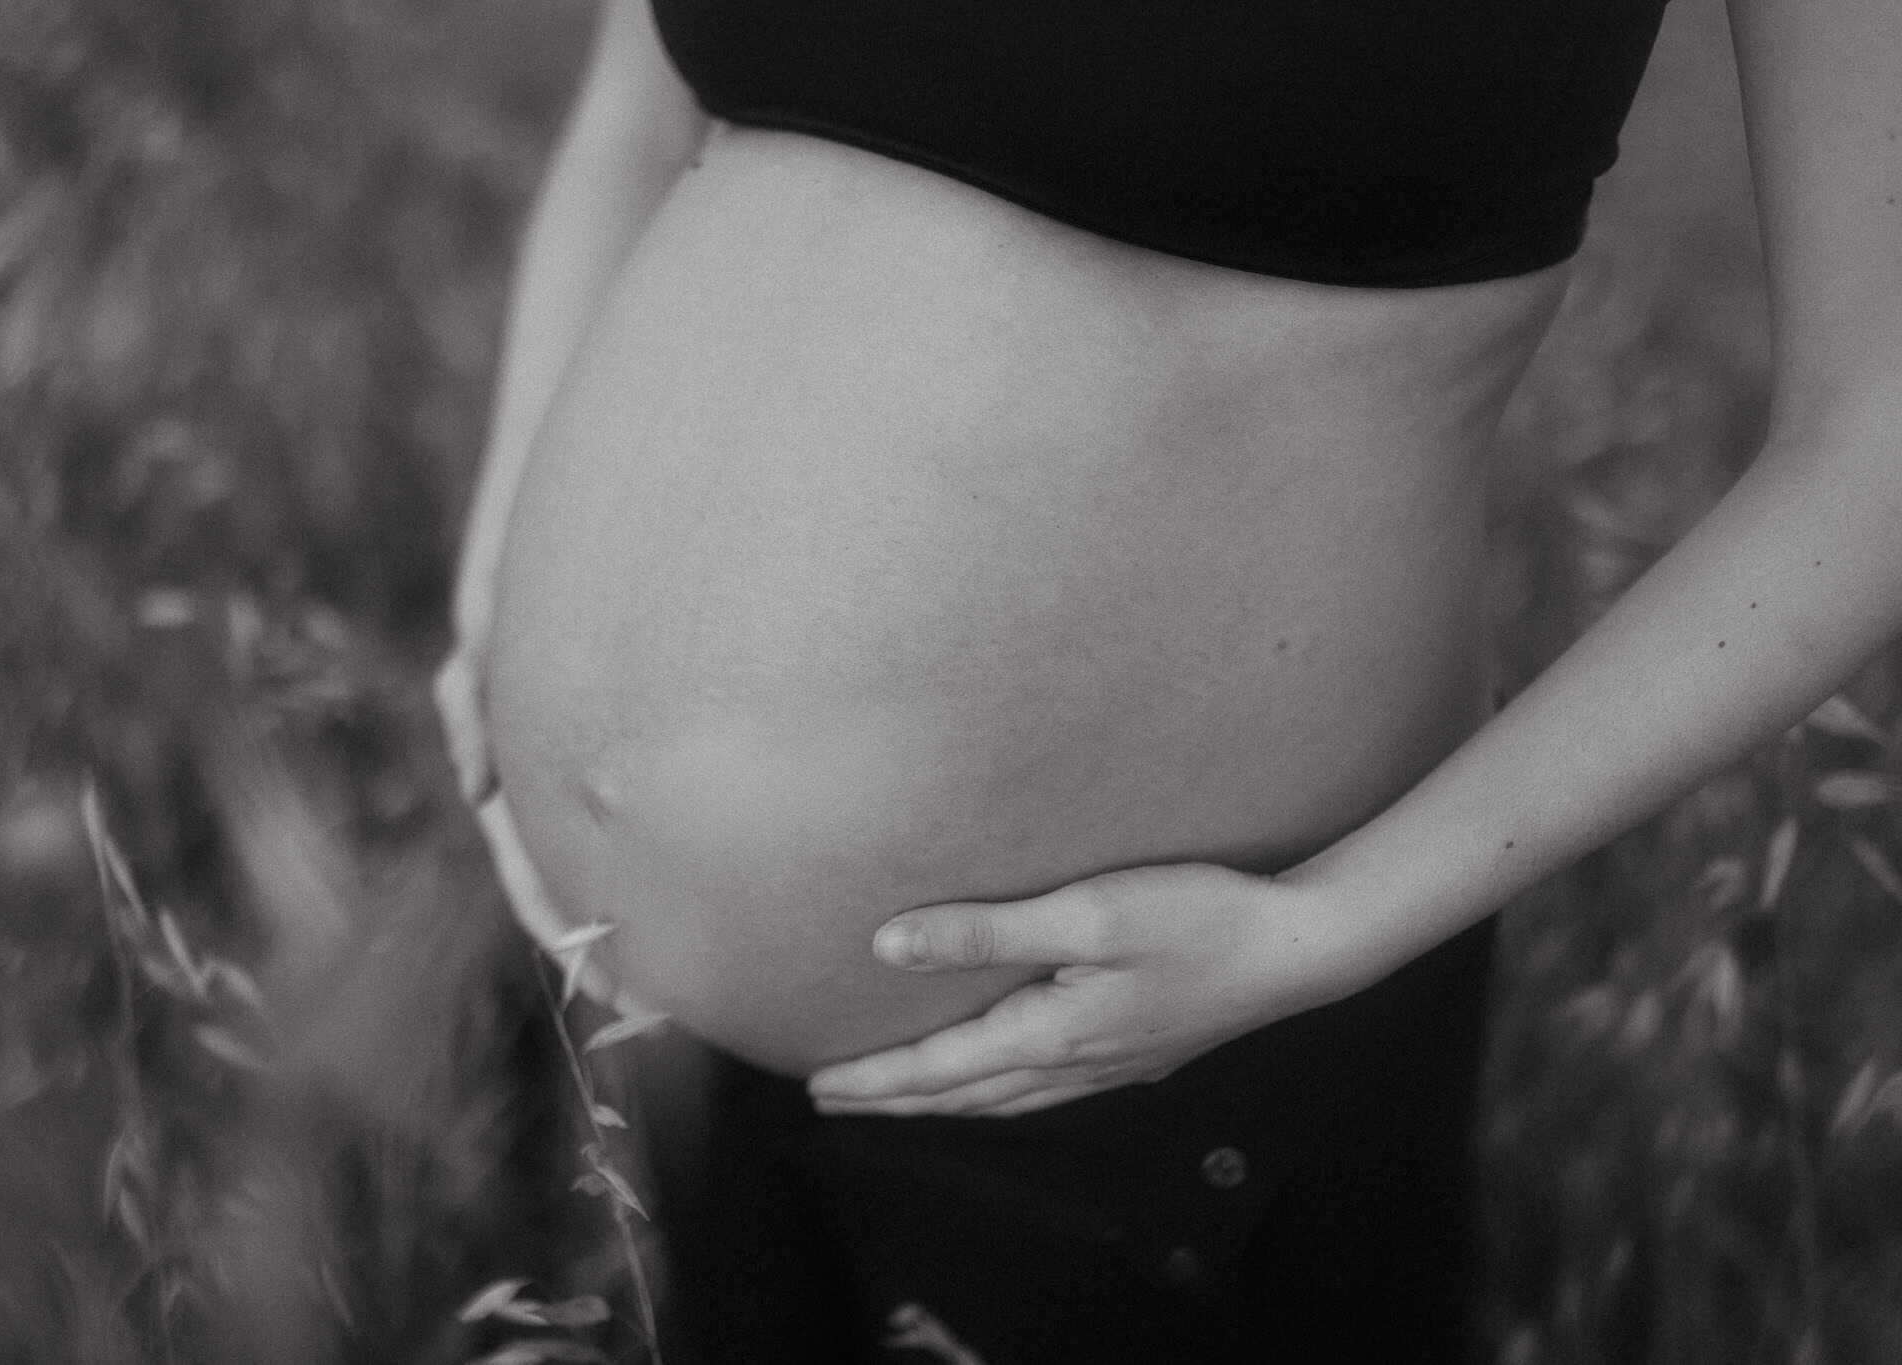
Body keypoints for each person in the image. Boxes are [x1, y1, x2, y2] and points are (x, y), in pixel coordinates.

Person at [436, 0, 1902, 1359]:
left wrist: (1335, 926)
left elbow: (1876, 442)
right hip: (603, 1007)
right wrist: (507, 563)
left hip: (1139, 1051)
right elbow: (640, 114)